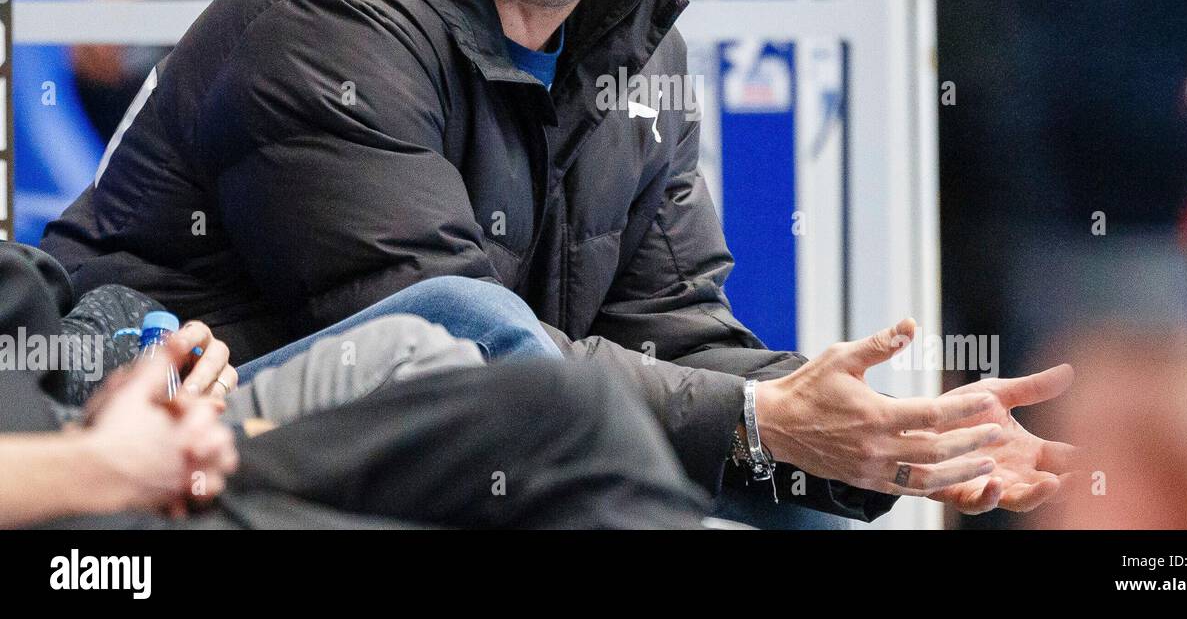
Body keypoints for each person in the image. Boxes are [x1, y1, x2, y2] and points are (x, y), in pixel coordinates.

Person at [41, 0, 1076, 523]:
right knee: (489, 333)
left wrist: (869, 435)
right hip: (166, 417)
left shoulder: (635, 48)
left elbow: (671, 333)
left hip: (435, 417)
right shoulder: (324, 16)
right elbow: (444, 336)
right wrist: (761, 419)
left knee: (784, 475)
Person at [0, 242, 711, 529]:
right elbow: (403, 254)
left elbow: (681, 318)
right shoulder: (323, 15)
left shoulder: (632, 66)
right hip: (82, 498)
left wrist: (135, 351)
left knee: (564, 411)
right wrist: (105, 461)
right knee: (498, 356)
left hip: (87, 441)